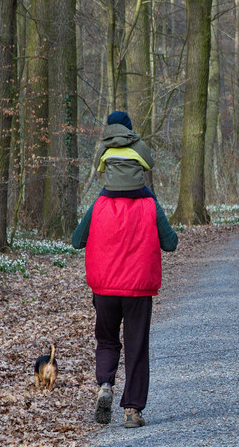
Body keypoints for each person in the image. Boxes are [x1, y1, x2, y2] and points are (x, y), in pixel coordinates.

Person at [71, 110, 178, 428]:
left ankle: (105, 385)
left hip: (104, 289)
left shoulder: (99, 205)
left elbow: (77, 240)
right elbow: (170, 243)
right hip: (138, 289)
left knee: (106, 341)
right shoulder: (149, 205)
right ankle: (132, 410)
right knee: (136, 347)